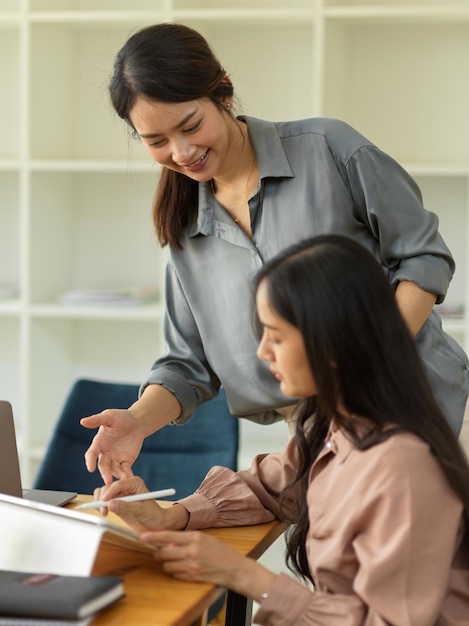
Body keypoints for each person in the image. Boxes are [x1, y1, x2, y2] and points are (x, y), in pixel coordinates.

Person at [81, 22, 469, 485]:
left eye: (190, 126)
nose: (182, 153)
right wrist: (138, 420)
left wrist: (370, 361)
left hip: (431, 406)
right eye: (156, 141)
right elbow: (188, 364)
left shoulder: (327, 150)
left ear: (223, 92)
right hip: (324, 442)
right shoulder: (184, 229)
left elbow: (424, 258)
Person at [93, 235, 469, 625]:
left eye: (276, 335)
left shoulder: (400, 467)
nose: (262, 352)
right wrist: (171, 516)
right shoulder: (335, 428)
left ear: (334, 341)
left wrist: (246, 576)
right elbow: (267, 486)